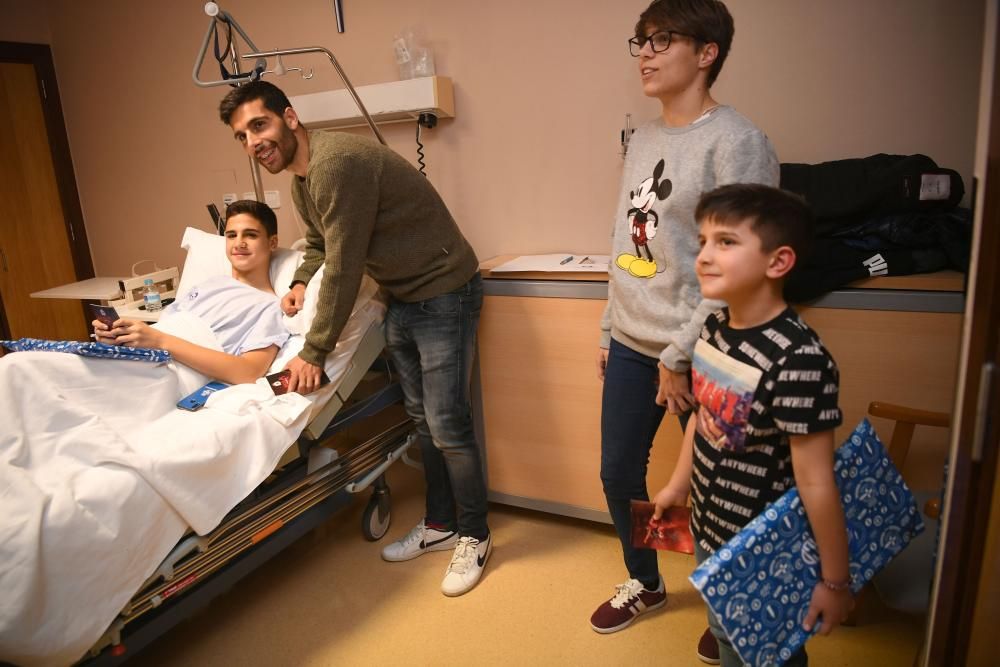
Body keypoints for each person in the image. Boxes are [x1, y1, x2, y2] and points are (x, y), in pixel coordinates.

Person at [218, 81, 491, 597]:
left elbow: (345, 267)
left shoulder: (336, 163)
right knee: (423, 422)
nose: (254, 141)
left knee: (449, 424)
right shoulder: (303, 181)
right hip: (401, 296)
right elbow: (322, 244)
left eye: (260, 125)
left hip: (444, 291)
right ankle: (440, 524)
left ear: (290, 118)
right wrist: (300, 281)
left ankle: (475, 534)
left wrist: (314, 351)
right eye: (242, 136)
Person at [591, 0, 779, 656]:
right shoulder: (642, 137)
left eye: (661, 39)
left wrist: (679, 352)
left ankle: (727, 608)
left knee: (722, 493)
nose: (644, 52)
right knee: (619, 473)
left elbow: (737, 267)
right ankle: (646, 581)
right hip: (633, 343)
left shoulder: (739, 142)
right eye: (639, 40)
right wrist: (609, 325)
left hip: (710, 351)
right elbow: (627, 241)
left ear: (707, 52)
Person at [651, 183, 852, 667]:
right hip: (709, 526)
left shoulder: (799, 357)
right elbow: (704, 414)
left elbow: (817, 480)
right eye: (702, 241)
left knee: (766, 653)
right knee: (726, 636)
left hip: (763, 546)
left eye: (725, 242)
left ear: (778, 262)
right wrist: (679, 486)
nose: (703, 255)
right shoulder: (715, 329)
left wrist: (834, 582)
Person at [93, 199, 289, 384]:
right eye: (231, 235)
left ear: (272, 243)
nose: (239, 243)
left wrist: (158, 340)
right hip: (143, 356)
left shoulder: (270, 307)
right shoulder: (209, 285)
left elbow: (249, 372)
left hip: (167, 372)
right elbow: (168, 327)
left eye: (251, 235)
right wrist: (120, 338)